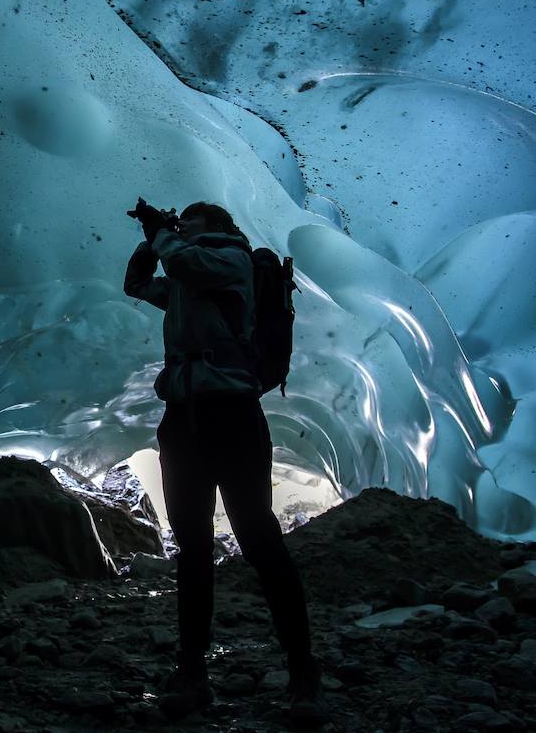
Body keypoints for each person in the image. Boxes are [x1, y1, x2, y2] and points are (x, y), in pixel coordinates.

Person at [123, 197, 324, 721]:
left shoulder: (229, 260)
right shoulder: (190, 276)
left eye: (188, 219)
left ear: (213, 226)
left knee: (259, 539)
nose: (180, 226)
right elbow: (141, 286)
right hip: (184, 421)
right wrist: (151, 242)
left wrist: (165, 237)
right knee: (191, 547)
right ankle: (191, 673)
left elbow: (187, 262)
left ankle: (304, 672)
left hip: (232, 417)